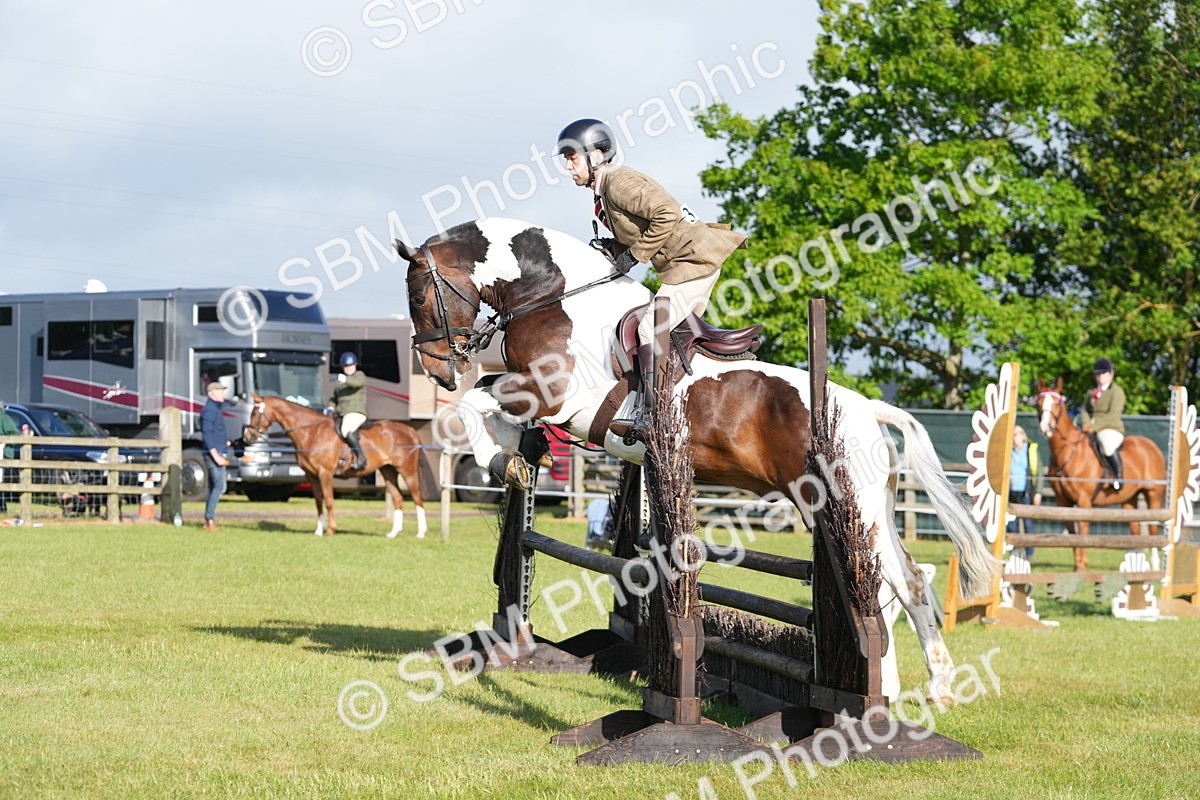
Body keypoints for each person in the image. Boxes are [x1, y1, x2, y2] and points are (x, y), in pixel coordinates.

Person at [556, 118, 748, 443]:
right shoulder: (605, 191)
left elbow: (666, 215)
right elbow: (642, 227)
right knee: (675, 339)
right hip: (687, 262)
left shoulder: (619, 183)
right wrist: (614, 248)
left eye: (572, 158)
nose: (568, 167)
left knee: (650, 328)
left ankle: (653, 415)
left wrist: (635, 255)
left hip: (693, 260)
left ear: (596, 155)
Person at [1079, 357, 1126, 490]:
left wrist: (1094, 426)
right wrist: (1086, 423)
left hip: (1110, 427)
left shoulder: (1116, 392)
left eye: (1103, 373)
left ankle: (1118, 477)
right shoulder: (1091, 392)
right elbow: (1085, 409)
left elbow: (1113, 414)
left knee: (1107, 445)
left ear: (1111, 374)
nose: (1100, 376)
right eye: (1097, 374)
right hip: (1090, 427)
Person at [328, 351, 367, 475]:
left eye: (350, 365)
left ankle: (361, 458)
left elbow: (356, 384)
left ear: (355, 365)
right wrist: (330, 407)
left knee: (346, 430)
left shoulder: (359, 375)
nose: (348, 368)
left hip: (355, 412)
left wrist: (343, 378)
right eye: (345, 366)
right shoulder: (341, 382)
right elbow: (334, 397)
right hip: (341, 413)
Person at [1007, 425, 1042, 558]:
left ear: (1023, 436)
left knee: (1028, 524)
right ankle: (1013, 550)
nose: (1015, 438)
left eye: (1017, 434)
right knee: (1011, 524)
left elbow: (1038, 472)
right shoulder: (1008, 450)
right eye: (1013, 435)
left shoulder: (1030, 449)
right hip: (1011, 492)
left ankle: (1029, 553)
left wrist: (1038, 492)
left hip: (1026, 491)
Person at [200, 382, 231, 531]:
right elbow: (207, 433)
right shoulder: (209, 410)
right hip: (214, 454)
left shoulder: (216, 409)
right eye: (220, 391)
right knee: (220, 486)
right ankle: (209, 520)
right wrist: (215, 455)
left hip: (219, 451)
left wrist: (226, 443)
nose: (223, 394)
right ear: (211, 393)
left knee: (215, 486)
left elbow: (216, 431)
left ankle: (209, 519)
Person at [0, 407, 21, 513]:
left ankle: (2, 508)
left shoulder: (4, 418)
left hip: (2, 455)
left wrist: (5, 442)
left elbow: (16, 434)